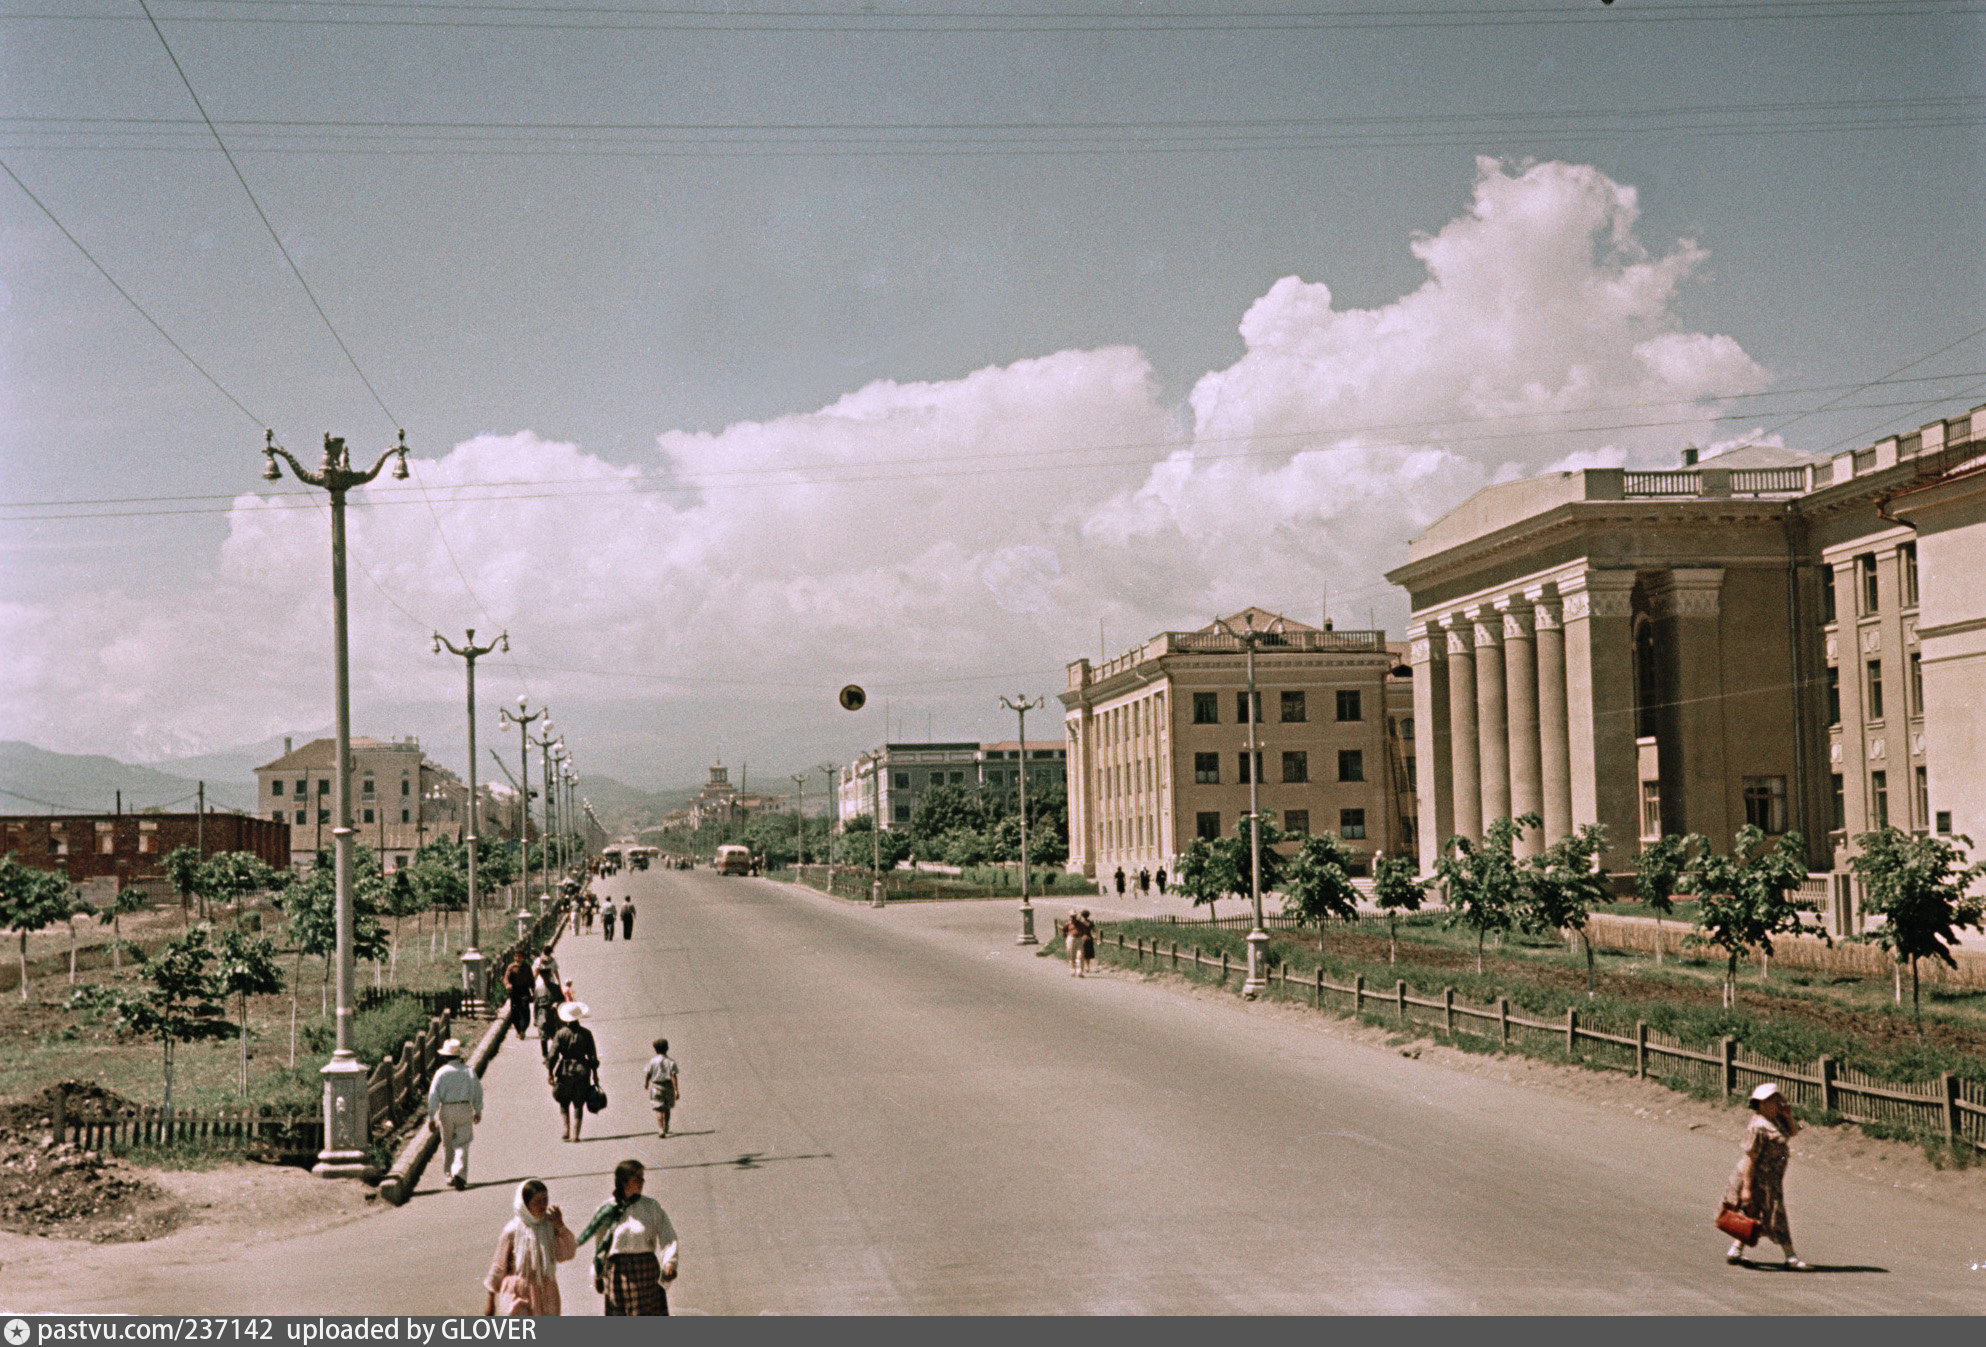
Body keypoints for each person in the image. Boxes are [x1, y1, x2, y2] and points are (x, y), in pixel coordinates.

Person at [1723, 1083, 1808, 1269]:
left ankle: (1736, 1250)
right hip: (1757, 1178)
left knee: (1753, 1214)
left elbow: (1793, 1132)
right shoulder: (1757, 1126)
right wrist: (1746, 1187)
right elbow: (1750, 1158)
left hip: (1772, 1179)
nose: (1776, 1103)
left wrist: (1788, 1115)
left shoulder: (1777, 1119)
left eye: (1777, 1099)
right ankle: (1791, 1257)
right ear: (1760, 1104)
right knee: (1774, 1214)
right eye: (1771, 1101)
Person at [577, 1160, 678, 1316]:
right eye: (637, 1178)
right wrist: (598, 1274)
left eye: (642, 1177)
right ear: (624, 1181)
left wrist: (669, 1262)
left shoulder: (651, 1207)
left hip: (646, 1273)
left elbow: (668, 1235)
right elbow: (600, 1245)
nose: (642, 1181)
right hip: (617, 1274)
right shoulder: (608, 1209)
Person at [483, 1179, 576, 1316]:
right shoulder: (512, 1231)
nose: (543, 1205)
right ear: (525, 1205)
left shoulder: (550, 1227)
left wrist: (560, 1227)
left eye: (545, 1199)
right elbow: (499, 1266)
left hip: (546, 1294)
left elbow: (568, 1253)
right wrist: (490, 1300)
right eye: (537, 1201)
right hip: (517, 1293)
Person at [425, 1037, 482, 1190]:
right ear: (458, 1055)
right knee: (463, 1142)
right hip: (464, 1108)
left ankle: (448, 1174)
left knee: (447, 1143)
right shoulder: (468, 1072)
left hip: (447, 1109)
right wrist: (478, 1110)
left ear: (444, 1056)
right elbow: (477, 1092)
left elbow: (433, 1095)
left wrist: (431, 1116)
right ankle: (460, 1173)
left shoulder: (441, 1073)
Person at [546, 1001, 600, 1143]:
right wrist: (595, 1073)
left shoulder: (560, 1034)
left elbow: (552, 1056)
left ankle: (565, 1129)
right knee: (578, 1102)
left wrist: (550, 1072)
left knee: (564, 1100)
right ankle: (575, 1134)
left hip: (564, 1070)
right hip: (582, 1070)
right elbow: (592, 1056)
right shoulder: (587, 1034)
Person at [643, 1038, 680, 1137]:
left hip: (656, 1086)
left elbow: (648, 1073)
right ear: (667, 1048)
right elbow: (673, 1076)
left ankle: (660, 1129)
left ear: (655, 1049)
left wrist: (646, 1083)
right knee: (667, 1108)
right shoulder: (670, 1061)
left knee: (659, 1109)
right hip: (668, 1086)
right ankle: (666, 1125)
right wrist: (676, 1090)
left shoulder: (652, 1061)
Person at [503, 951, 535, 1041]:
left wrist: (533, 990)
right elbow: (506, 978)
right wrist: (507, 984)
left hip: (524, 990)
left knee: (525, 1010)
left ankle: (523, 1029)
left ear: (523, 957)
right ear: (514, 957)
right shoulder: (511, 967)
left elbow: (531, 979)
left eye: (520, 956)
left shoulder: (527, 967)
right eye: (516, 956)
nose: (518, 958)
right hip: (515, 991)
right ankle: (518, 1030)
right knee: (515, 1011)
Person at [1078, 908, 1097, 974]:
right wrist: (1098, 939)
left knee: (1081, 952)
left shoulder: (1080, 922)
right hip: (1089, 938)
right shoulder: (1090, 922)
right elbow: (1094, 931)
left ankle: (1081, 966)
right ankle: (1087, 967)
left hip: (1081, 938)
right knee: (1088, 953)